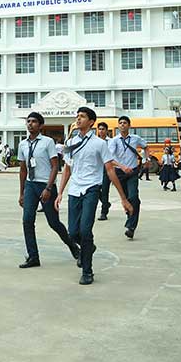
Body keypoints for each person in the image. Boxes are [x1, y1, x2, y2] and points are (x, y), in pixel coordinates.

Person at [55, 107, 132, 285]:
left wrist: (123, 198)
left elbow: (110, 170)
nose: (78, 119)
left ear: (91, 122)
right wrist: (60, 192)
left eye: (82, 117)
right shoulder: (72, 142)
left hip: (92, 188)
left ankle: (87, 271)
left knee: (85, 230)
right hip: (74, 190)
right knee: (73, 233)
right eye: (77, 116)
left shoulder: (100, 143)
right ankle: (89, 248)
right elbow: (67, 168)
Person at [16, 112, 79, 268]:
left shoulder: (47, 142)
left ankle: (73, 247)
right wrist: (22, 192)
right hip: (31, 185)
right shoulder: (23, 144)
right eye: (28, 121)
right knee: (27, 221)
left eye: (34, 122)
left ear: (41, 125)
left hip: (45, 185)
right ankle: (33, 257)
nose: (30, 124)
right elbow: (23, 170)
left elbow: (55, 166)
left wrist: (49, 188)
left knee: (53, 222)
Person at [95, 121, 112, 220]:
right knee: (95, 190)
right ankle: (106, 203)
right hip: (96, 169)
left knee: (105, 191)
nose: (101, 131)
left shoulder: (110, 142)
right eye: (99, 129)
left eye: (103, 129)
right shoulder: (95, 141)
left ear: (106, 130)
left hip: (106, 169)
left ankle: (104, 212)